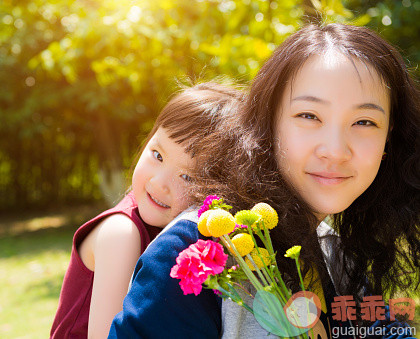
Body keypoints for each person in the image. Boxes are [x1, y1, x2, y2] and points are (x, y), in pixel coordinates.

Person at [109, 23, 419, 338]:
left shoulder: (335, 252)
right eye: (309, 116)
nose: (336, 151)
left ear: (388, 140)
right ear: (267, 123)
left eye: (364, 122)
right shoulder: (196, 252)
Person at [50, 81, 245, 338]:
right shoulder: (122, 234)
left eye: (187, 177)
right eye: (158, 155)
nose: (158, 183)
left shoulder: (184, 235)